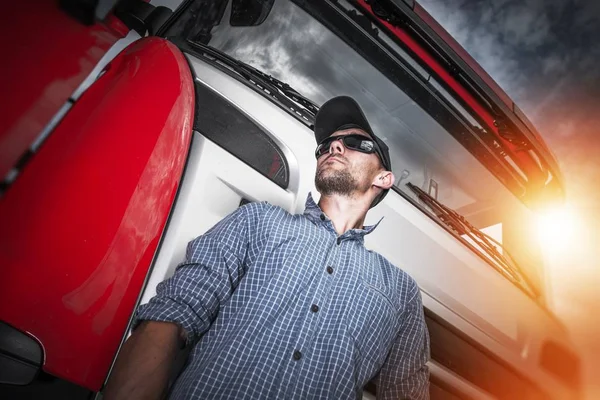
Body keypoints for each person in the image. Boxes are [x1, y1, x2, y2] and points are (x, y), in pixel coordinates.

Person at [104, 96, 430, 399]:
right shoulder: (258, 221)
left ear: (384, 178)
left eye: (355, 143)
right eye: (325, 146)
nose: (334, 147)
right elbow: (173, 313)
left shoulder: (401, 292)